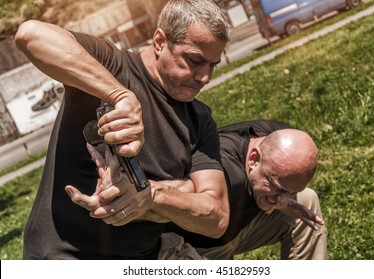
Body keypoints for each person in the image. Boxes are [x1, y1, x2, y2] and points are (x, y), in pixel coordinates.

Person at [15, 0, 230, 259]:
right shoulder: (113, 66)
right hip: (63, 257)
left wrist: (151, 195)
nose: (205, 76)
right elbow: (30, 35)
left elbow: (216, 217)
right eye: (195, 60)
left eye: (212, 65)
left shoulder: (199, 119)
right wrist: (118, 95)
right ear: (160, 41)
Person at [166, 120, 328, 259]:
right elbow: (164, 195)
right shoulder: (224, 173)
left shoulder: (273, 134)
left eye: (290, 191)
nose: (284, 200)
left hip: (235, 231)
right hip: (196, 246)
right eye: (278, 188)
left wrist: (282, 199)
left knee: (307, 202)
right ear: (254, 159)